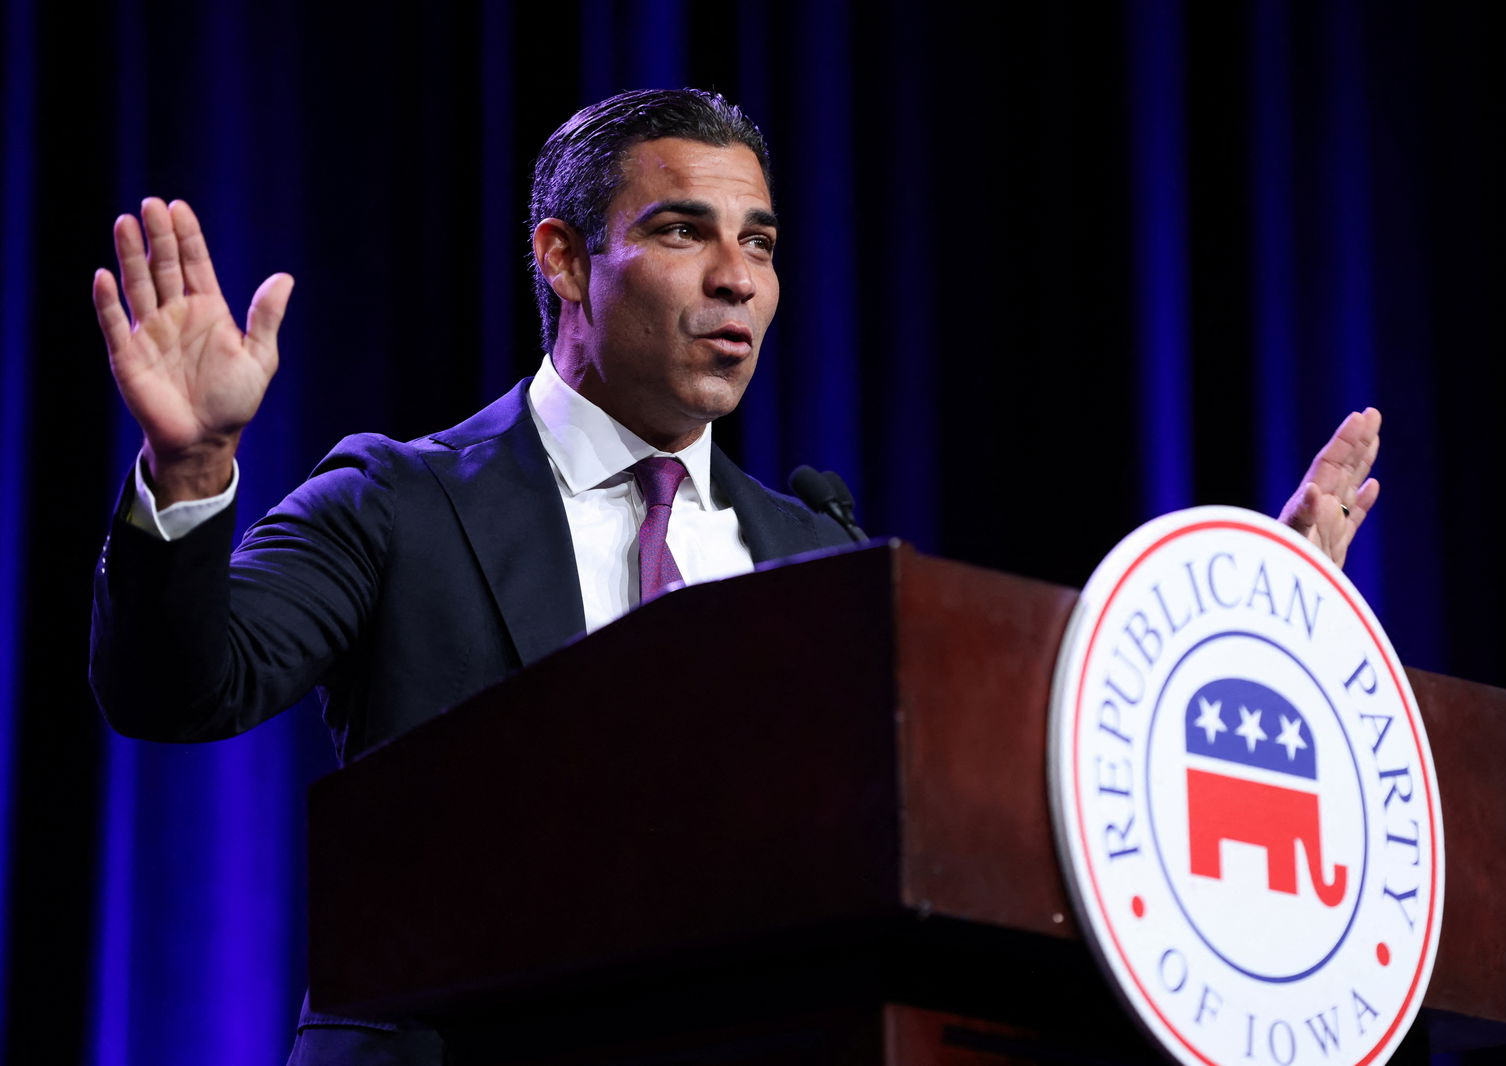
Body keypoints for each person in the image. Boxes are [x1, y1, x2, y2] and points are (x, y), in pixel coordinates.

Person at [88, 88, 1380, 1064]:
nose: (737, 277)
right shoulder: (402, 500)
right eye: (682, 230)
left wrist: (1246, 632)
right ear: (560, 257)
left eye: (759, 241)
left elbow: (1015, 800)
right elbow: (181, 686)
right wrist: (192, 465)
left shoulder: (814, 553)